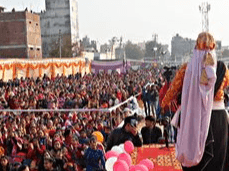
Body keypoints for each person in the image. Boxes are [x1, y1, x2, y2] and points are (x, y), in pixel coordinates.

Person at [161, 32, 229, 171]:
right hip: (219, 119)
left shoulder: (188, 68)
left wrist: (168, 102)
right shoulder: (222, 68)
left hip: (194, 117)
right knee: (218, 160)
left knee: (196, 162)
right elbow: (226, 83)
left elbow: (170, 93)